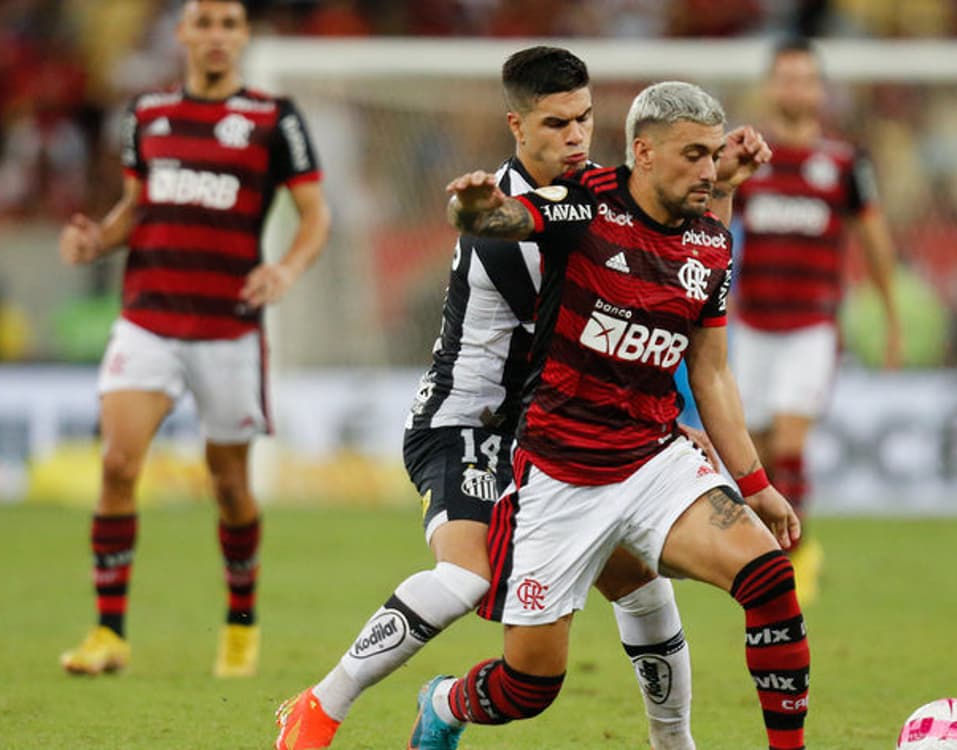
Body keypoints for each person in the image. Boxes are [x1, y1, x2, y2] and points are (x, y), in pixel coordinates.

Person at [275, 46, 708, 750]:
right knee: (465, 575)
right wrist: (658, 420)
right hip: (468, 425)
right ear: (517, 126)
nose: (575, 136)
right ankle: (320, 706)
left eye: (585, 118)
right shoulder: (510, 230)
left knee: (640, 581)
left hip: (548, 433)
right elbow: (590, 333)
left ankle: (674, 743)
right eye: (556, 123)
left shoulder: (592, 194)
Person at [409, 82, 810, 750]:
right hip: (558, 476)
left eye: (715, 155)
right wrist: (477, 212)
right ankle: (446, 702)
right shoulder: (590, 202)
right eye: (693, 155)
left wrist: (757, 484)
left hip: (654, 461)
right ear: (644, 154)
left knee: (769, 581)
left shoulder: (711, 243)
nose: (709, 171)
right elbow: (513, 220)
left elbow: (711, 371)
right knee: (528, 686)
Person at [56, 0, 331, 678]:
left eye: (229, 25)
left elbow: (315, 215)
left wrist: (286, 268)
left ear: (243, 37)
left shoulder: (274, 119)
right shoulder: (146, 114)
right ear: (181, 34)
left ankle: (240, 627)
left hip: (228, 326)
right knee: (119, 466)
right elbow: (135, 207)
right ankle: (108, 633)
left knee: (230, 488)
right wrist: (98, 240)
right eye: (203, 23)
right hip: (148, 316)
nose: (216, 36)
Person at [731, 36, 901, 604]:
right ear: (771, 87)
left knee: (789, 438)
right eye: (786, 78)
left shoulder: (845, 163)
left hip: (811, 325)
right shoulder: (747, 159)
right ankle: (767, 553)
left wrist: (891, 316)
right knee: (752, 447)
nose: (795, 88)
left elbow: (873, 240)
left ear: (820, 90)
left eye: (806, 79)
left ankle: (796, 557)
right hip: (752, 324)